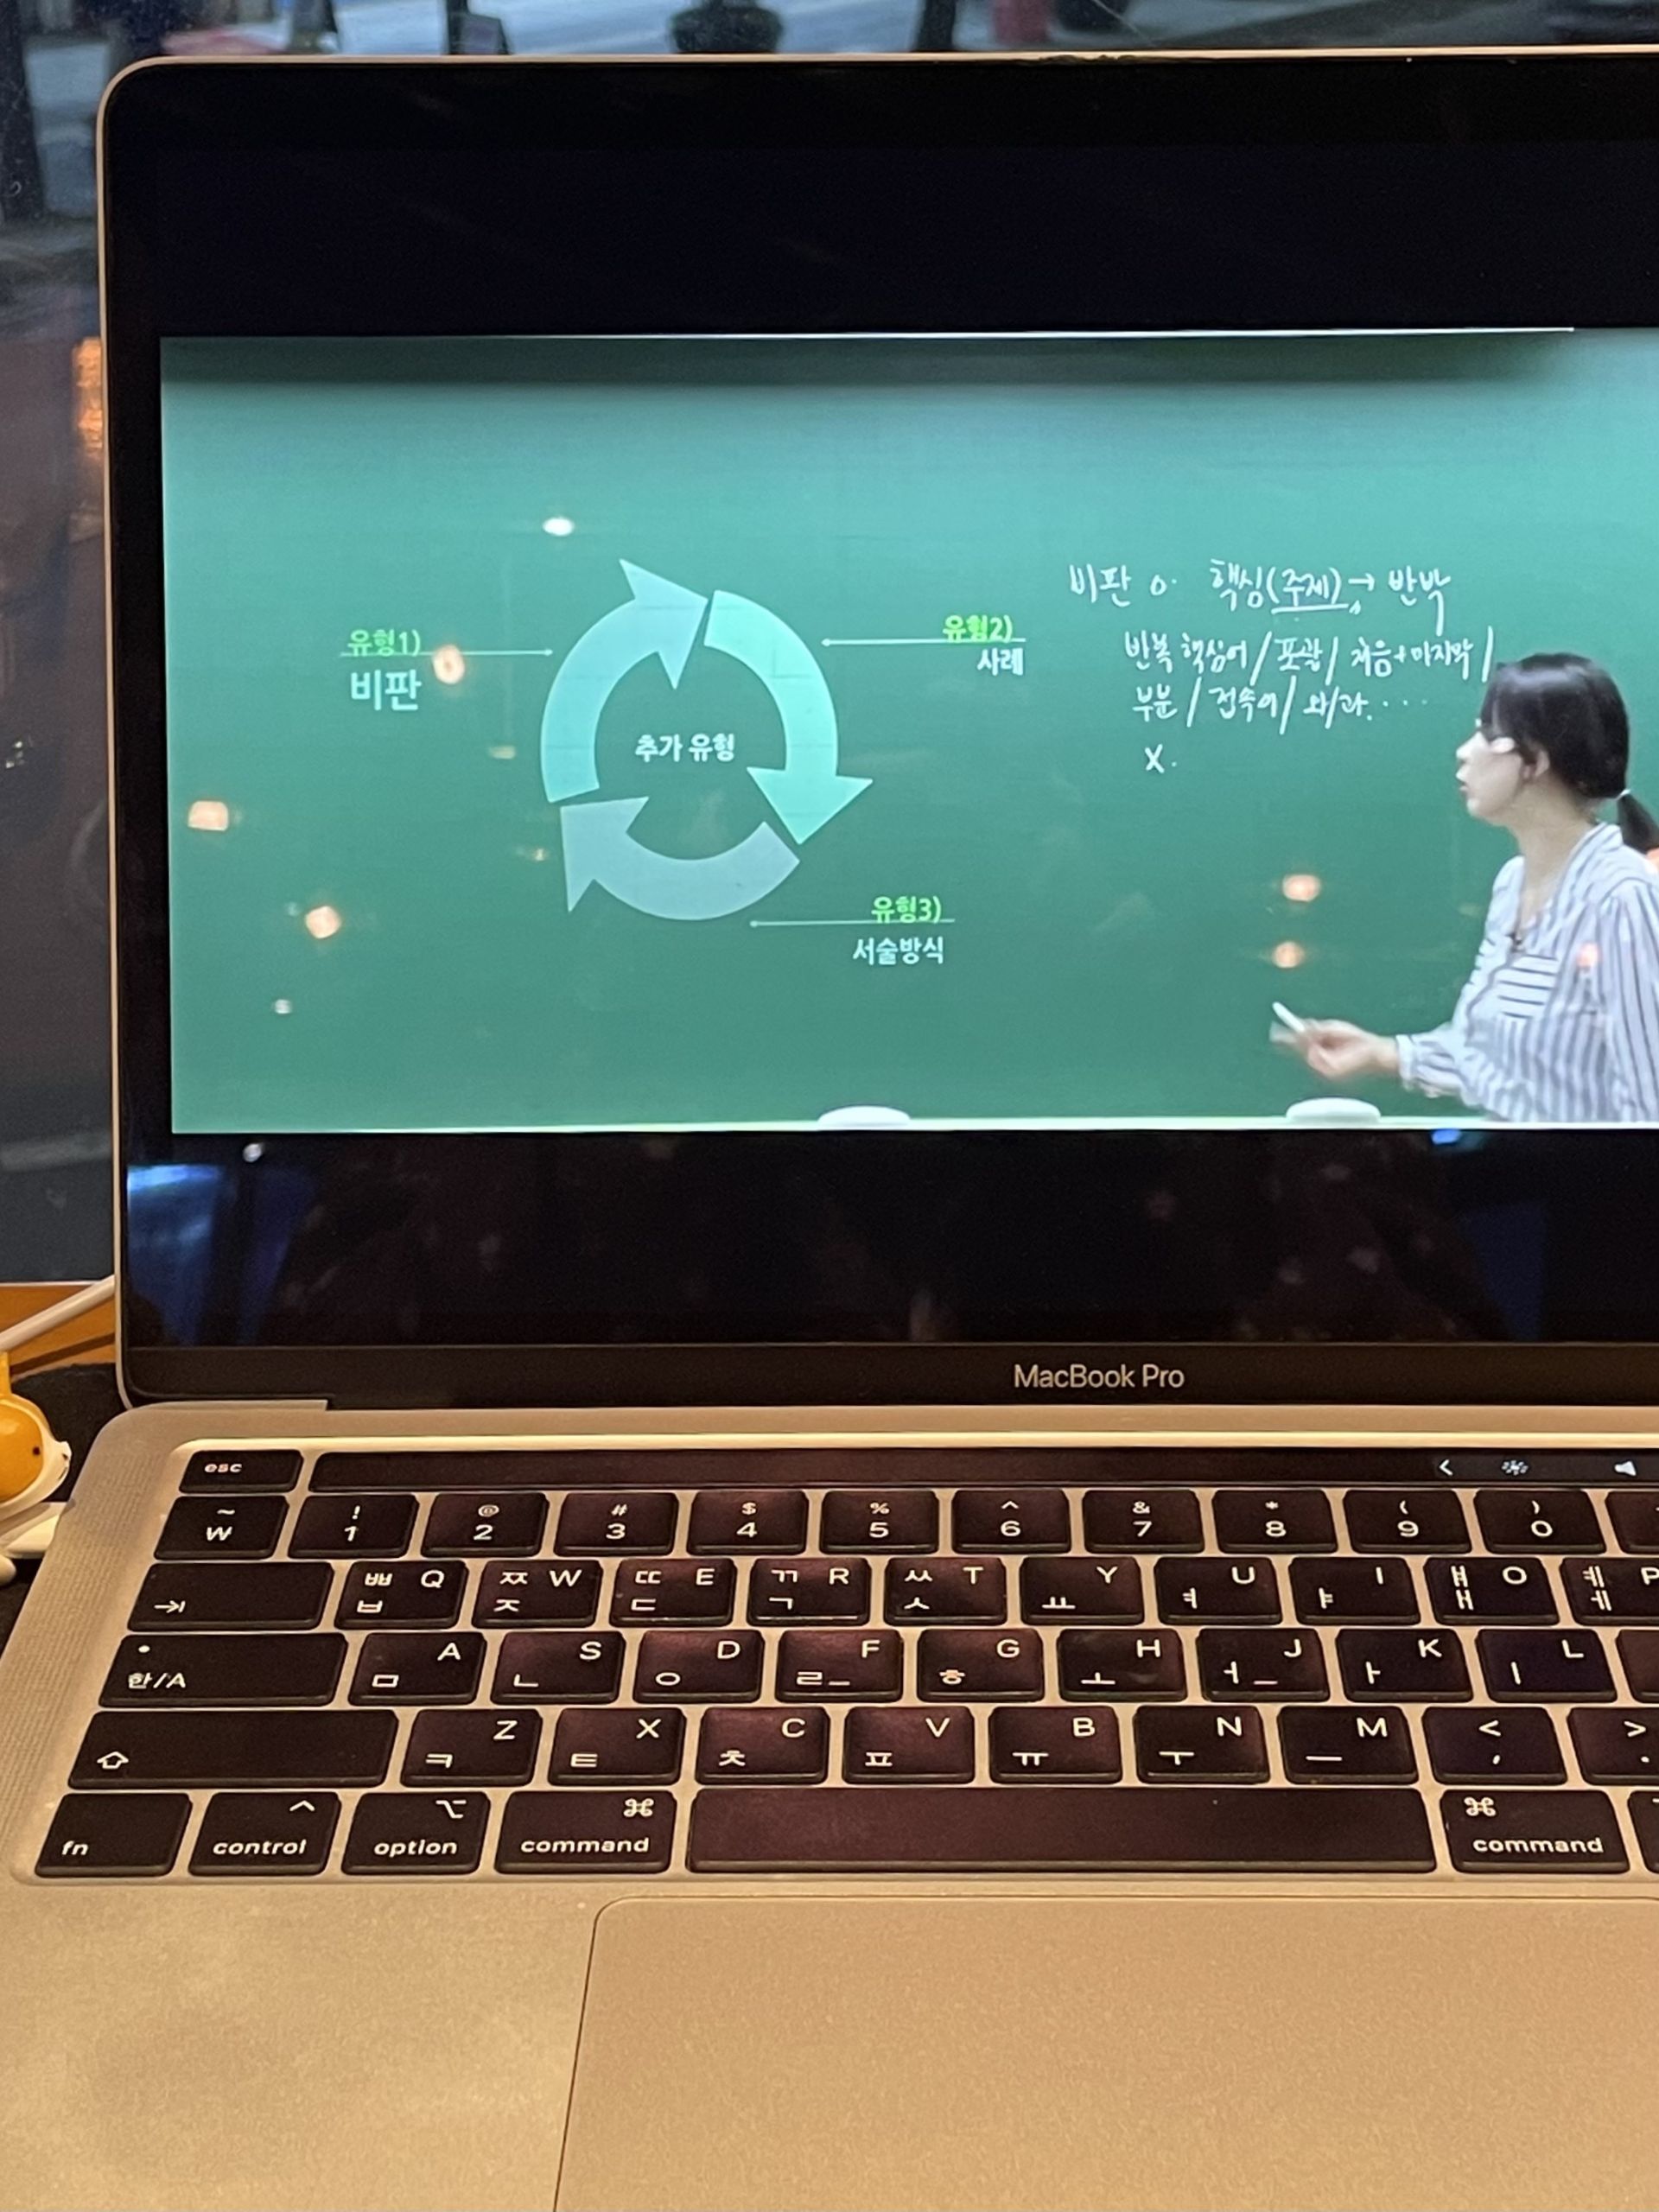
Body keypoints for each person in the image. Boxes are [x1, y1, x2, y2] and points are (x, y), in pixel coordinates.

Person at [1282, 654, 1659, 1121]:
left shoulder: (1622, 897)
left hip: (1584, 1169)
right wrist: (1382, 1053)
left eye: (1486, 733)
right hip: (1509, 1161)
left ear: (1536, 760)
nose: (1465, 751)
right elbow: (1500, 1068)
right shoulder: (1512, 884)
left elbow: (1649, 1103)